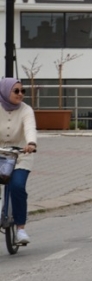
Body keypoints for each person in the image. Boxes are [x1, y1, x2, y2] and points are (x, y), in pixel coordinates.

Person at [0, 78, 37, 244]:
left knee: (17, 186)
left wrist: (31, 143)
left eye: (23, 91)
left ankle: (20, 229)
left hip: (21, 155)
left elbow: (30, 127)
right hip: (0, 154)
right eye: (16, 91)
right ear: (5, 91)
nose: (20, 94)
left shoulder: (26, 110)